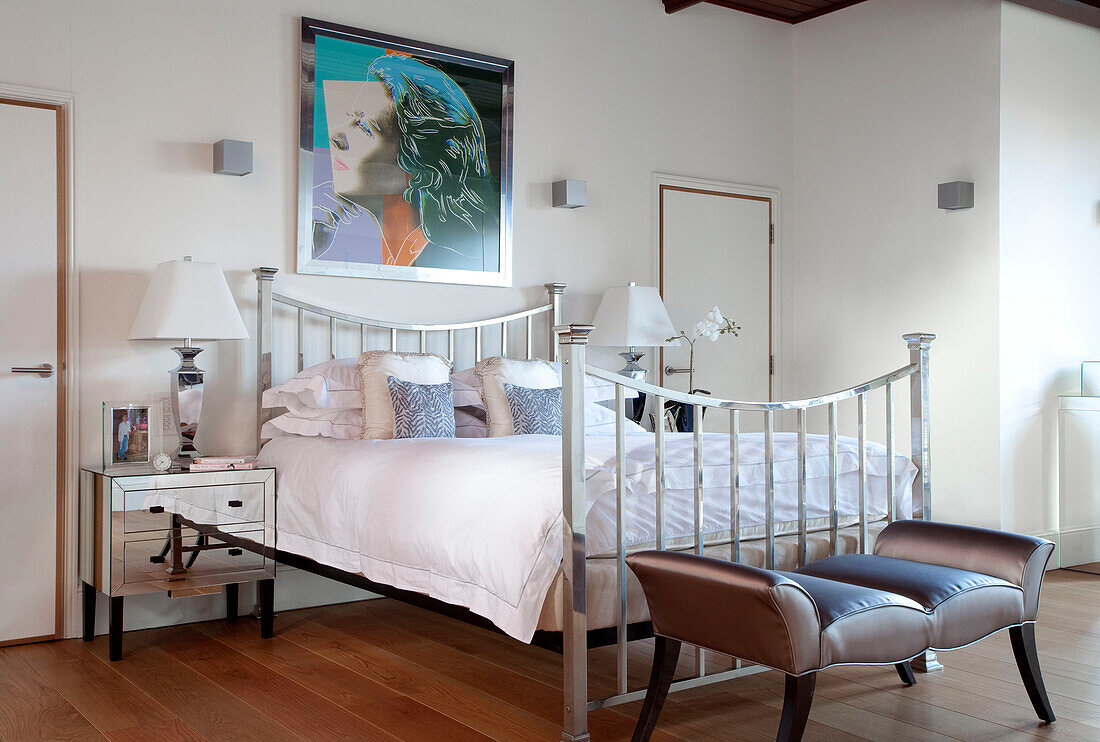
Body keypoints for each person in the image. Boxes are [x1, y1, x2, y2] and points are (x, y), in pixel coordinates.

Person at [312, 53, 499, 272]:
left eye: (364, 127)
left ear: (417, 164)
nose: (336, 135)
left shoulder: (442, 262)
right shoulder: (332, 228)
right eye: (350, 117)